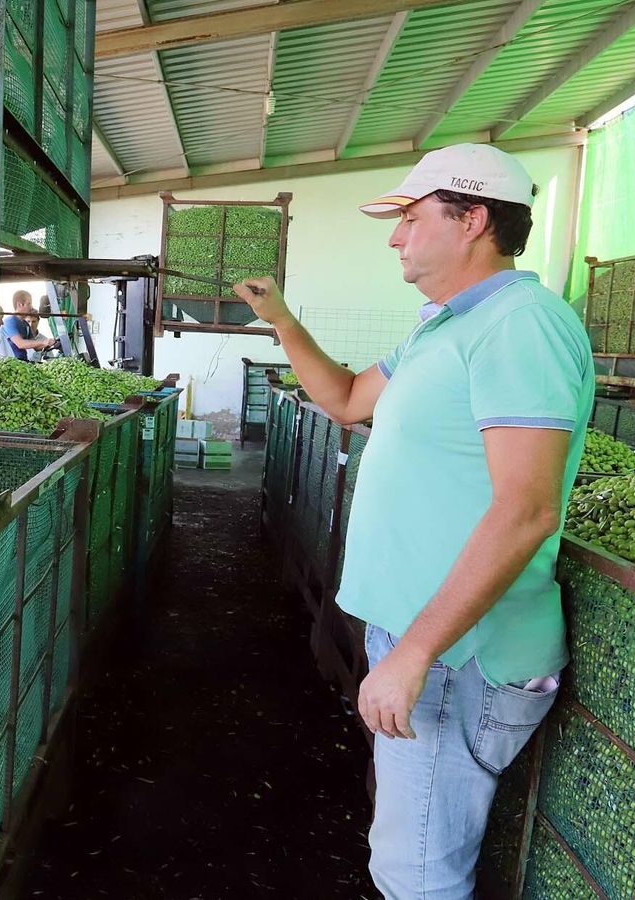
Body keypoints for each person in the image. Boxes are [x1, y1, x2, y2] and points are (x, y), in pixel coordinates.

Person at [232, 143, 591, 900]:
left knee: (417, 871)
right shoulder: (440, 329)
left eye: (411, 217)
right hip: (431, 645)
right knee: (412, 852)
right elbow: (346, 400)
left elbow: (527, 509)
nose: (396, 236)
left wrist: (418, 650)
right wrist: (282, 319)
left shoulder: (522, 324)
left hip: (462, 654)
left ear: (473, 220)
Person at [0, 290, 57, 361]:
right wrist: (43, 342)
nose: (31, 307)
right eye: (29, 303)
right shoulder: (9, 321)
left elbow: (35, 347)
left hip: (22, 362)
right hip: (10, 362)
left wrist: (50, 343)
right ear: (20, 304)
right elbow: (20, 344)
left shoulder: (26, 324)